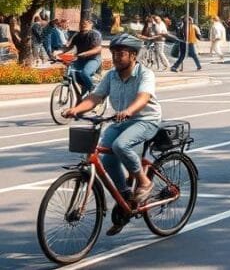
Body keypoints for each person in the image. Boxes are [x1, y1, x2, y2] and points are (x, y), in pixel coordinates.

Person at [61, 34, 162, 236]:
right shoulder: (111, 75)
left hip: (145, 120)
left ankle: (144, 182)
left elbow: (143, 98)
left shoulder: (145, 74)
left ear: (133, 55)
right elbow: (96, 97)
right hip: (119, 120)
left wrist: (129, 111)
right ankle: (126, 197)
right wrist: (76, 109)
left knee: (120, 146)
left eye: (120, 53)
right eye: (113, 53)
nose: (115, 57)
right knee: (105, 159)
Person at [62, 19, 104, 94]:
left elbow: (98, 48)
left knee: (84, 73)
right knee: (70, 74)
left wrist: (85, 53)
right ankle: (77, 93)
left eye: (85, 23)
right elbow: (68, 48)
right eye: (81, 24)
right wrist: (57, 54)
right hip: (80, 59)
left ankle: (94, 91)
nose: (83, 25)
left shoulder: (94, 34)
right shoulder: (77, 35)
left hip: (93, 59)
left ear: (91, 25)